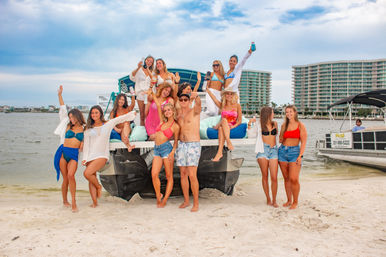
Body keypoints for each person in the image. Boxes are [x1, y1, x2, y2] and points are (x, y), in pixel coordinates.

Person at [82, 105, 136, 207]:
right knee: (91, 177)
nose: (94, 115)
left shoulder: (107, 124)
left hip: (102, 155)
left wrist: (131, 115)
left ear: (100, 114)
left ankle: (98, 186)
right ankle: (94, 203)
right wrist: (85, 158)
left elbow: (119, 119)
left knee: (87, 173)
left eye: (96, 113)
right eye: (92, 113)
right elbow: (86, 145)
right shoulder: (88, 128)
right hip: (90, 156)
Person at [53, 85, 85, 212]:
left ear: (78, 117)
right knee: (65, 178)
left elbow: (90, 137)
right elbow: (62, 109)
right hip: (63, 152)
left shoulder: (84, 128)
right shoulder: (66, 124)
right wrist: (60, 95)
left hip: (74, 155)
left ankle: (74, 202)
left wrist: (83, 143)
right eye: (70, 117)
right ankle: (65, 200)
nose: (71, 119)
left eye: (73, 117)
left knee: (71, 175)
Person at [149, 90, 180, 208]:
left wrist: (173, 152)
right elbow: (157, 104)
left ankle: (165, 199)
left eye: (169, 110)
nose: (167, 112)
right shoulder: (162, 122)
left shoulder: (175, 126)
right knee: (154, 174)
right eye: (165, 110)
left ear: (173, 111)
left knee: (169, 176)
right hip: (157, 149)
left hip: (167, 150)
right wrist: (151, 91)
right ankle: (159, 195)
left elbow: (176, 141)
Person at [175, 86, 201, 212]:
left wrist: (196, 96)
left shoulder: (194, 111)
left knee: (192, 174)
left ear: (189, 101)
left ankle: (196, 203)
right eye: (182, 100)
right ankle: (186, 200)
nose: (184, 101)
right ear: (179, 101)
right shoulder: (178, 116)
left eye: (186, 99)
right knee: (183, 174)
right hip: (182, 145)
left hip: (193, 144)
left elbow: (199, 105)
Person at [278, 105, 307, 210]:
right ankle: (289, 200)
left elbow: (303, 142)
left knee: (294, 179)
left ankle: (295, 201)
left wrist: (300, 156)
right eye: (286, 112)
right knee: (286, 178)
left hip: (294, 152)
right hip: (282, 152)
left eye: (290, 112)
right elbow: (280, 140)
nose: (288, 114)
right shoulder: (284, 125)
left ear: (295, 112)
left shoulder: (300, 125)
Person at [249, 107, 279, 207]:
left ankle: (274, 200)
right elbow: (251, 135)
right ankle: (268, 198)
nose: (274, 114)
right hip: (263, 150)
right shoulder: (259, 124)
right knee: (265, 176)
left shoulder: (275, 124)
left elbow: (278, 136)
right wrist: (250, 124)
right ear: (268, 114)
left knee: (274, 177)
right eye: (273, 112)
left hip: (274, 150)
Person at [206, 87, 242, 162]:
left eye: (231, 94)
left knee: (221, 128)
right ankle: (227, 143)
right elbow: (214, 99)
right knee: (223, 121)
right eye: (227, 94)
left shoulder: (237, 106)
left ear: (233, 95)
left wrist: (233, 126)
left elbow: (239, 121)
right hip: (222, 124)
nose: (229, 95)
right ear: (224, 95)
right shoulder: (222, 105)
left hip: (229, 126)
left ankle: (220, 152)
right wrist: (208, 91)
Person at [130, 55, 154, 126]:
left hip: (149, 94)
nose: (149, 62)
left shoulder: (152, 72)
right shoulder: (139, 70)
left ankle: (149, 130)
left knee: (149, 114)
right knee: (142, 115)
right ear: (145, 60)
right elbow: (132, 77)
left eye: (151, 62)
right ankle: (142, 131)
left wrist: (148, 70)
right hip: (140, 94)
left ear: (152, 64)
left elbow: (153, 80)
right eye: (148, 60)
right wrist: (138, 67)